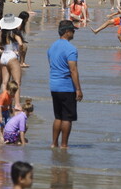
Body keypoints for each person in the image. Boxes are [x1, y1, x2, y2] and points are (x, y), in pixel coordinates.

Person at [48, 20, 83, 149]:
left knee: (58, 116)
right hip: (67, 87)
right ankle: (64, 145)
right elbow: (73, 70)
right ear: (67, 32)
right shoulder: (71, 49)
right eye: (73, 31)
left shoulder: (52, 47)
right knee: (67, 118)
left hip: (54, 85)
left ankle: (54, 143)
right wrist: (78, 89)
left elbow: (52, 65)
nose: (74, 33)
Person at [0, 14, 24, 109]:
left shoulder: (2, 33)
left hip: (4, 55)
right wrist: (19, 52)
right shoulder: (14, 33)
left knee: (5, 82)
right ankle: (17, 104)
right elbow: (21, 44)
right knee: (17, 82)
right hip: (12, 56)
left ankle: (5, 103)